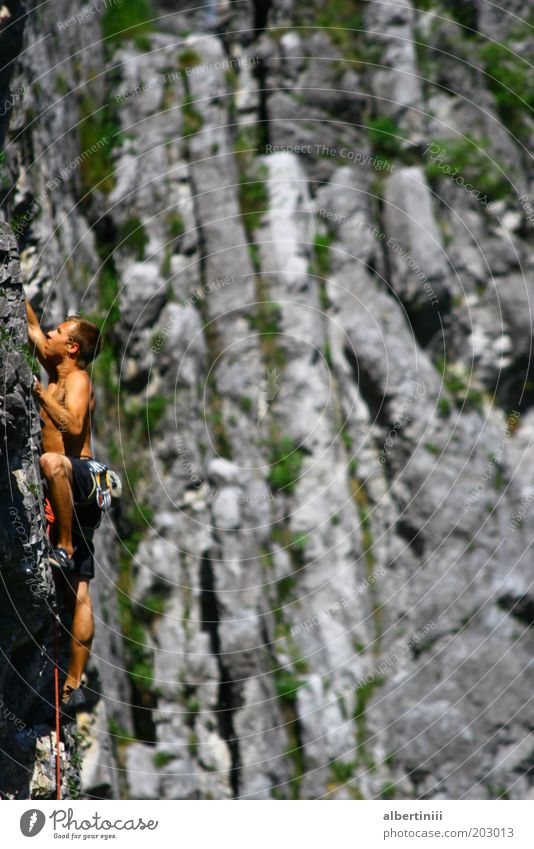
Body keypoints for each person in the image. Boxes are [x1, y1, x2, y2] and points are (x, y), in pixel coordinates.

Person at [26, 300, 103, 714]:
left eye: (60, 333)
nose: (51, 335)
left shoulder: (78, 381)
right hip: (66, 485)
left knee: (52, 461)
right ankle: (73, 682)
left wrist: (38, 393)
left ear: (73, 348)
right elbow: (32, 327)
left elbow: (72, 427)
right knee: (79, 589)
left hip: (80, 475)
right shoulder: (56, 370)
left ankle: (67, 546)